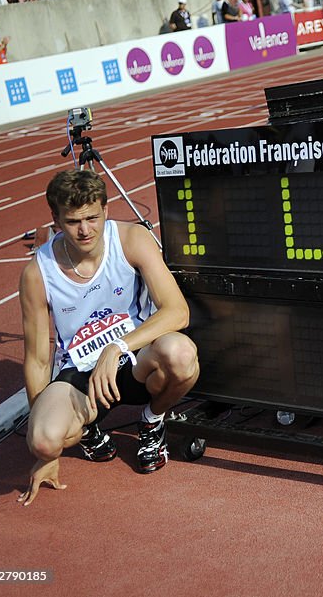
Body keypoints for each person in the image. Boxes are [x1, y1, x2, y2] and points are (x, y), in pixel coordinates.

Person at [18, 170, 199, 506]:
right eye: (73, 221)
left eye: (92, 217)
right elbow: (38, 359)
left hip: (136, 360)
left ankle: (152, 420)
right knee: (42, 440)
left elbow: (177, 311)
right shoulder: (36, 272)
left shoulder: (131, 239)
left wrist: (116, 347)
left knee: (181, 354)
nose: (85, 230)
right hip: (81, 374)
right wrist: (49, 450)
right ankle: (88, 428)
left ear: (105, 209)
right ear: (55, 219)